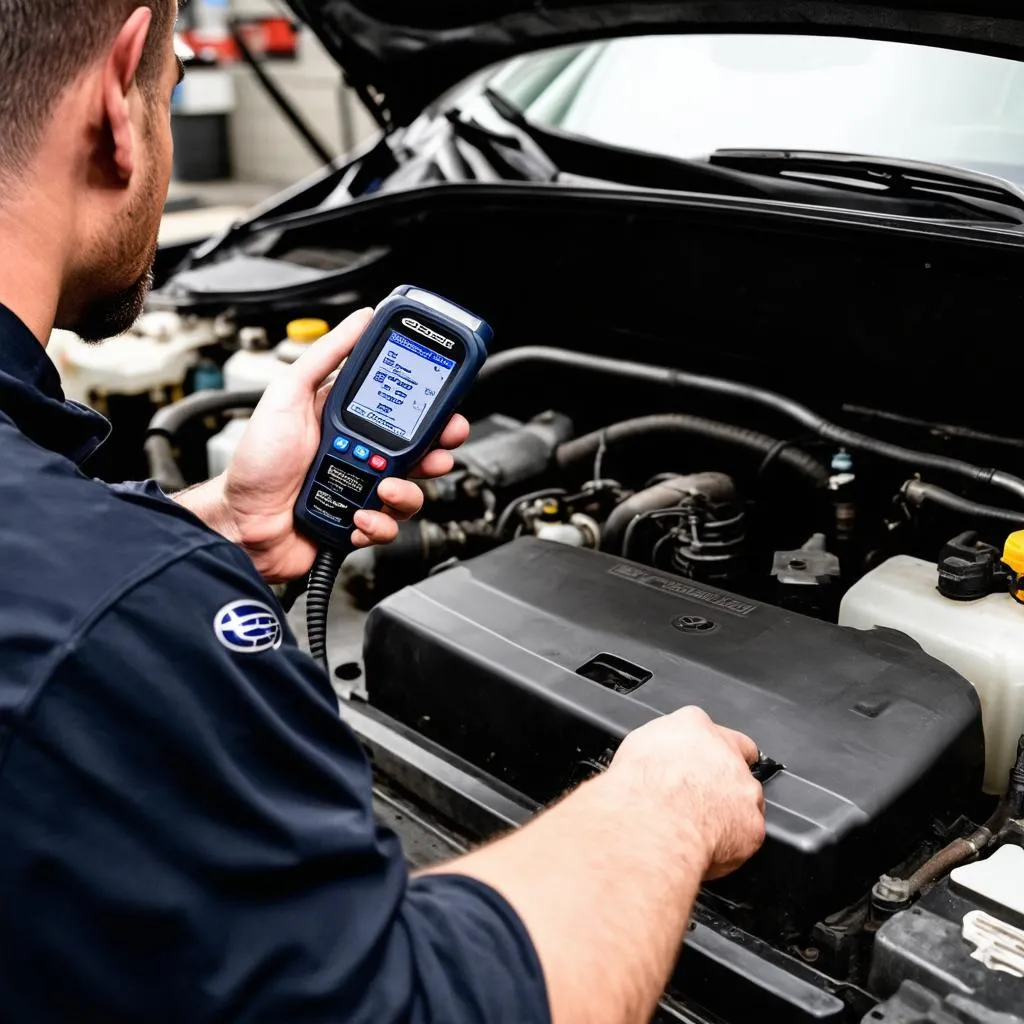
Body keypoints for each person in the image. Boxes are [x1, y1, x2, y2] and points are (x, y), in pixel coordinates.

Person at [0, 3, 766, 1022]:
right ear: (120, 95)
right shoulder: (104, 615)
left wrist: (225, 520)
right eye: (175, 87)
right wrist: (667, 804)